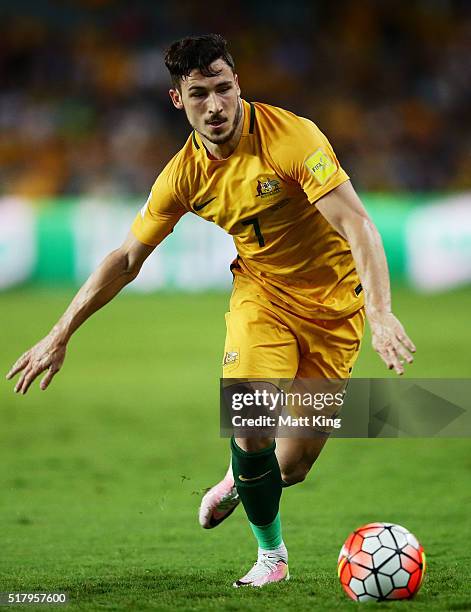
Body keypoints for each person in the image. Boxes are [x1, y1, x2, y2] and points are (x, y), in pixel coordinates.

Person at [6, 34, 415, 588]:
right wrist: (59, 334)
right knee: (252, 425)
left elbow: (356, 223)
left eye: (223, 89)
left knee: (289, 467)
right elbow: (127, 257)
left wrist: (381, 311)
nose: (215, 106)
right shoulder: (183, 175)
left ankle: (235, 478)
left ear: (239, 84)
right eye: (199, 94)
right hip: (262, 298)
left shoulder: (291, 139)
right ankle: (272, 559)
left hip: (336, 311)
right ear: (179, 99)